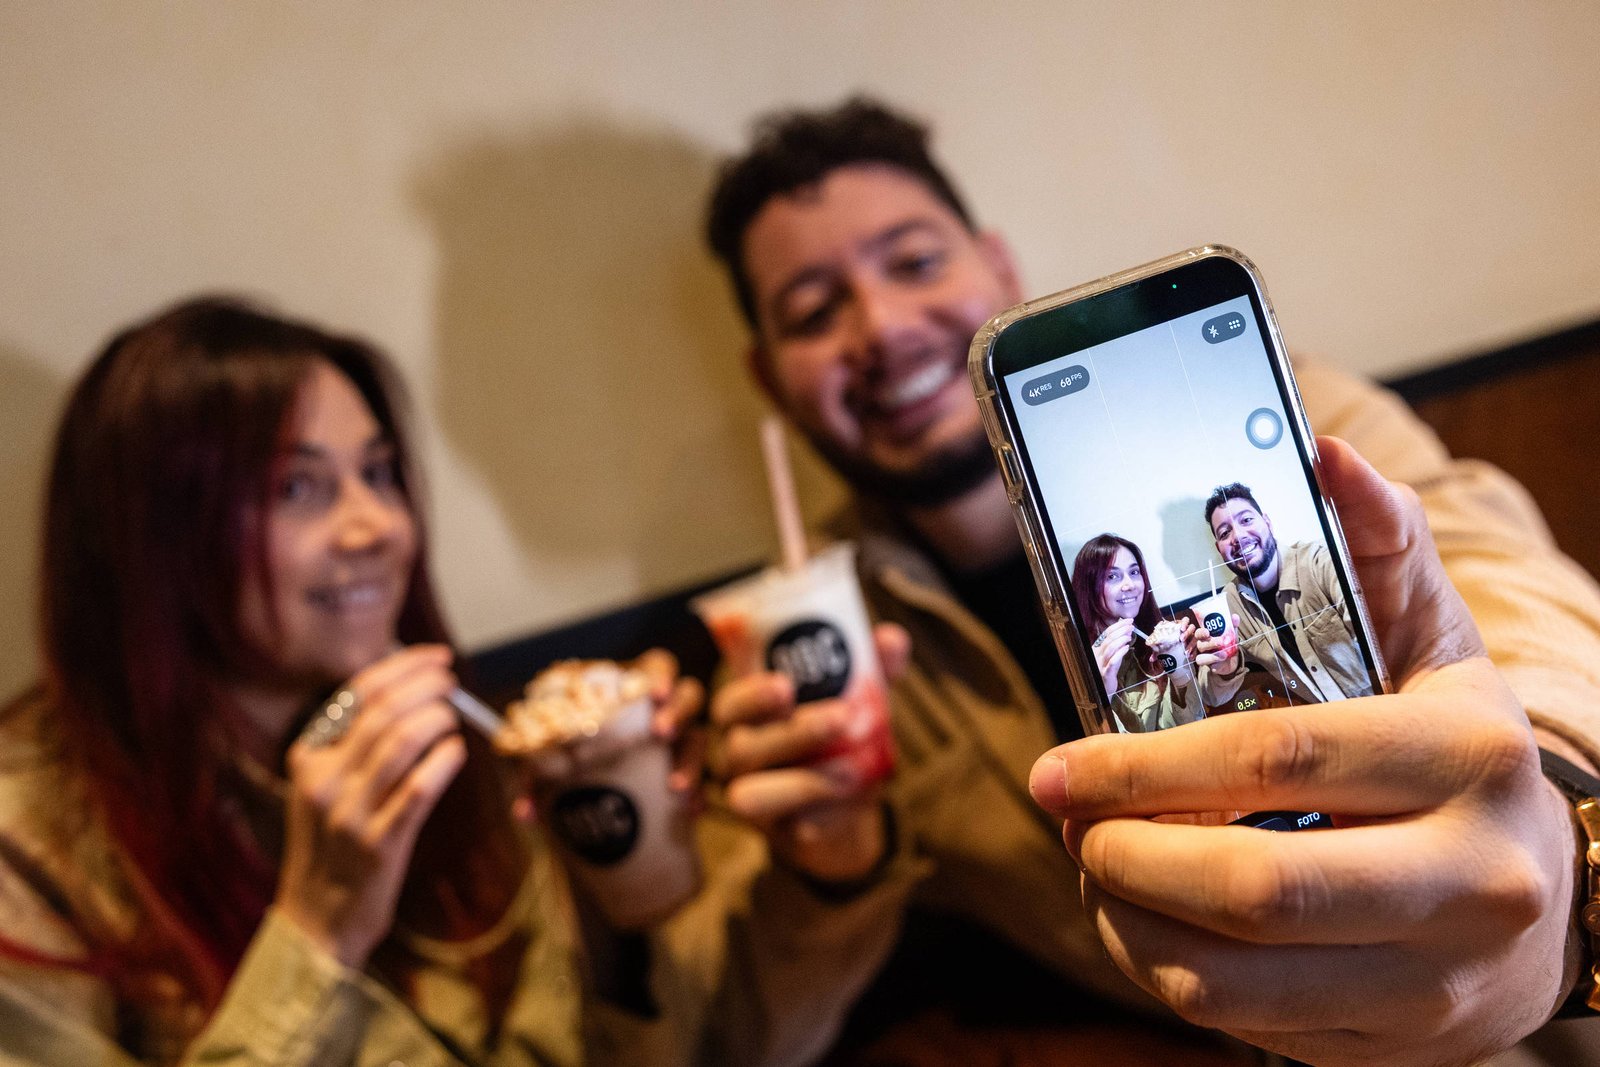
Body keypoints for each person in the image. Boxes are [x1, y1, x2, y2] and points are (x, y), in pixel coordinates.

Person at [701, 96, 1600, 1065]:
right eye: (812, 310)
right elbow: (741, 1033)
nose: (878, 326)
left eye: (914, 261)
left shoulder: (1293, 425)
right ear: (766, 374)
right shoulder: (824, 642)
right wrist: (834, 871)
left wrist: (1550, 791)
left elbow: (1505, 573)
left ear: (997, 268)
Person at [0, 297, 896, 1067]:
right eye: (297, 488)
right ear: (151, 537)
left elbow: (706, 1042)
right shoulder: (29, 856)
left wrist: (625, 884)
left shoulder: (468, 748)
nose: (377, 527)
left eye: (380, 473)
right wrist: (317, 930)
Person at [1195, 482, 1373, 708]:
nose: (1237, 536)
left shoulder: (1320, 561)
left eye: (1246, 520)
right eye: (1224, 532)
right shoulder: (1229, 605)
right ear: (1219, 548)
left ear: (1267, 522)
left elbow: (1370, 626)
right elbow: (1212, 697)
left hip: (1380, 703)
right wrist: (1224, 671)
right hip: (1327, 724)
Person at [1070, 534, 1203, 733]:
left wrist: (1180, 671)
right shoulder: (1079, 657)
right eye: (1112, 576)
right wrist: (1101, 693)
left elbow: (1176, 728)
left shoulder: (1151, 640)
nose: (1130, 585)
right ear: (1089, 586)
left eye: (1134, 572)